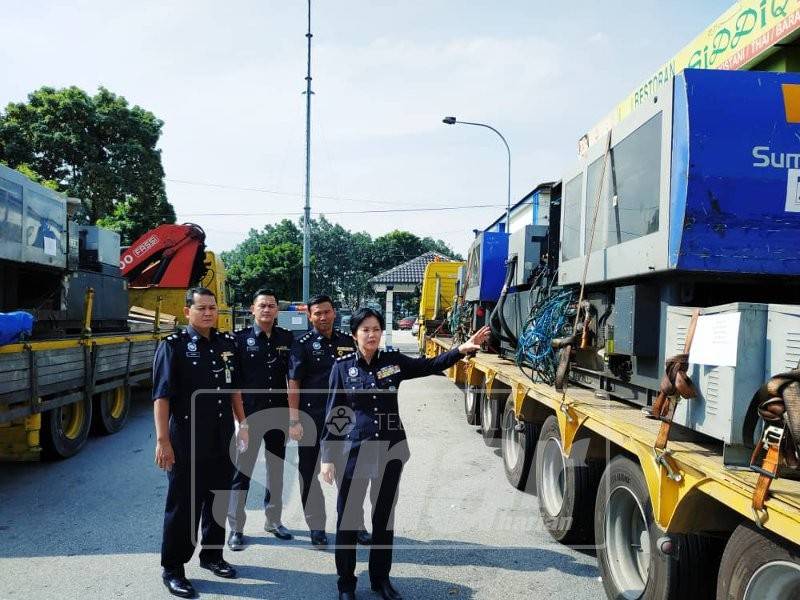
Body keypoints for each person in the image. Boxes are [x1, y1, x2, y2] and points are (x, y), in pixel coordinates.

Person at [320, 308, 489, 600]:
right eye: (365, 330)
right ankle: (346, 583)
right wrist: (326, 456)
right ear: (354, 334)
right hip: (354, 453)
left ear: (381, 332)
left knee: (383, 518)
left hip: (389, 451)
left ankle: (380, 580)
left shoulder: (393, 362)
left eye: (376, 329)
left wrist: (461, 350)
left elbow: (429, 364)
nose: (371, 335)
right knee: (347, 520)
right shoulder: (342, 367)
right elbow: (335, 413)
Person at [153, 287, 247, 598]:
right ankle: (173, 568)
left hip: (222, 436)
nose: (208, 313)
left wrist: (242, 423)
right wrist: (162, 441)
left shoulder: (226, 344)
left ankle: (212, 555)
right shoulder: (174, 346)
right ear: (187, 312)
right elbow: (162, 396)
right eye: (201, 308)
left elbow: (234, 386)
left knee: (218, 497)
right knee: (184, 504)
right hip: (187, 437)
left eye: (212, 307)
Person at [288, 294, 371, 548]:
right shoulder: (301, 344)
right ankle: (316, 527)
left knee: (350, 474)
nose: (323, 317)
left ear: (334, 313)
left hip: (343, 421)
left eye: (327, 312)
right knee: (309, 474)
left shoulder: (348, 341)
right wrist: (294, 420)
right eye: (317, 313)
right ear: (310, 316)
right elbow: (293, 382)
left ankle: (355, 524)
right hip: (311, 420)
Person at [227, 288, 296, 550]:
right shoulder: (239, 340)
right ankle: (236, 527)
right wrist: (240, 421)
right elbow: (232, 383)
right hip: (250, 415)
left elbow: (293, 379)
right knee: (241, 471)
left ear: (277, 310)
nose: (267, 310)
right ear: (252, 309)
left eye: (271, 305)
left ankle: (273, 520)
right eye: (262, 305)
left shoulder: (287, 339)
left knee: (276, 469)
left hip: (278, 414)